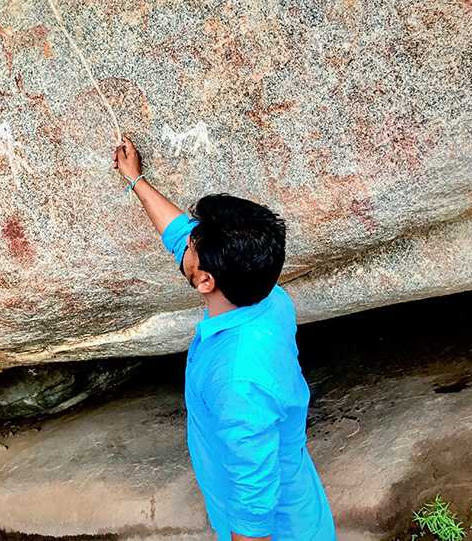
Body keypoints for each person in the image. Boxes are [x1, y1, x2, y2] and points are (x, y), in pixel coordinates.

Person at [114, 136, 335, 541]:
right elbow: (180, 235)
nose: (188, 239)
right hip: (297, 498)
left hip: (280, 528)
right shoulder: (268, 296)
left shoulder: (238, 383)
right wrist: (136, 180)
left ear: (205, 281)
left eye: (196, 243)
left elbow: (254, 510)